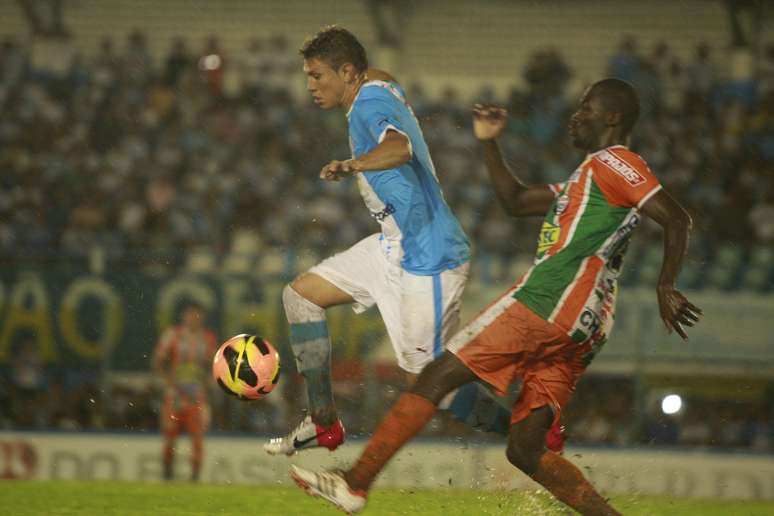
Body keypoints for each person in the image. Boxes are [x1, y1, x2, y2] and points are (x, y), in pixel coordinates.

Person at [289, 78, 703, 515]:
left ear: (612, 117)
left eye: (586, 109)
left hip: (550, 300)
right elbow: (515, 199)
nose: (575, 117)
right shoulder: (583, 182)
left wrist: (665, 284)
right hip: (585, 324)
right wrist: (490, 143)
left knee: (437, 375)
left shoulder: (615, 162)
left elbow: (677, 218)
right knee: (524, 449)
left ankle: (355, 483)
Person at [264, 26, 539, 456]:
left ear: (348, 72)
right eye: (308, 75)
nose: (311, 86)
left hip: (429, 257)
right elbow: (381, 74)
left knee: (430, 386)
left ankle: (529, 435)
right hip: (393, 244)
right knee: (300, 297)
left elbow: (400, 148)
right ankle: (323, 423)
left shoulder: (367, 104)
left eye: (318, 75)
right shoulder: (375, 85)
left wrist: (353, 164)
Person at [153, 301, 217, 481]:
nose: (194, 319)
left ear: (202, 318)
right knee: (170, 437)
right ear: (184, 316)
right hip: (175, 395)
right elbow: (158, 361)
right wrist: (170, 382)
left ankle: (194, 477)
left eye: (197, 315)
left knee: (197, 437)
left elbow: (213, 365)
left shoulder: (208, 338)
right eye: (191, 315)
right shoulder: (172, 335)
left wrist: (208, 382)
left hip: (197, 397)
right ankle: (167, 474)